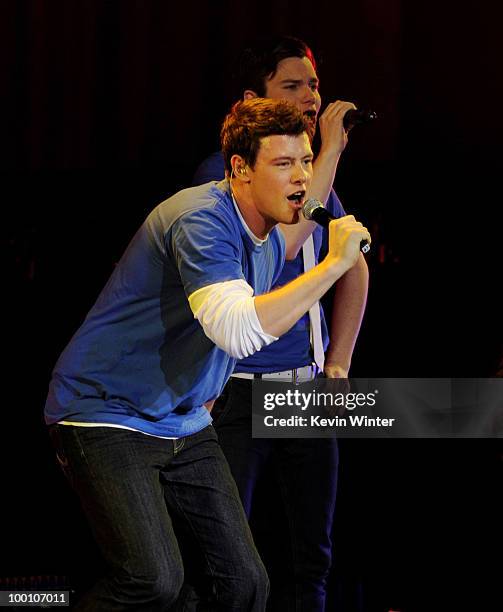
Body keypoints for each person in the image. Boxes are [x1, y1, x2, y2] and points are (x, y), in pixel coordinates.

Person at [45, 97, 370, 611]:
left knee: (246, 584)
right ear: (240, 169)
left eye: (306, 161)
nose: (301, 177)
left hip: (184, 422)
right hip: (107, 414)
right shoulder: (201, 221)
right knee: (152, 580)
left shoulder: (268, 231)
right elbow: (238, 333)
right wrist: (330, 266)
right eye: (283, 163)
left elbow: (250, 325)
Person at [192, 36, 369, 611]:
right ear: (253, 101)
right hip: (236, 394)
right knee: (228, 561)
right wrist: (329, 153)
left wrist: (338, 361)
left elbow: (353, 266)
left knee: (310, 558)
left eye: (313, 84)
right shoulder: (225, 176)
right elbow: (284, 253)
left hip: (303, 389)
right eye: (291, 86)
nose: (310, 97)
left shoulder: (317, 179)